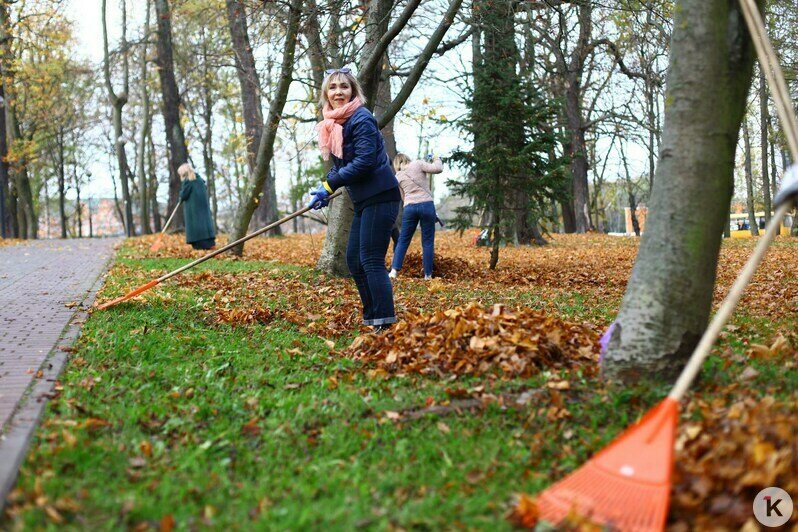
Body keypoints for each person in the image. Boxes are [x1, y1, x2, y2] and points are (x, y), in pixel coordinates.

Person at [307, 67, 400, 332]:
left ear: (353, 91)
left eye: (344, 87)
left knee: (370, 260)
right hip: (364, 199)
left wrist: (331, 184)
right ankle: (373, 318)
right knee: (354, 261)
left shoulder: (361, 119)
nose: (338, 92)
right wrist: (324, 189)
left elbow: (364, 162)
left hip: (381, 197)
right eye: (333, 87)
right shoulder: (336, 124)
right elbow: (342, 164)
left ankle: (384, 321)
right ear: (326, 93)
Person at [388, 153, 443, 280]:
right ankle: (428, 275)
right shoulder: (418, 164)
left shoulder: (398, 176)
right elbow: (438, 168)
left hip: (410, 208)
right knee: (427, 241)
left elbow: (403, 197)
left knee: (403, 240)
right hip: (427, 205)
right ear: (407, 158)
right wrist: (437, 158)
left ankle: (394, 271)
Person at [178, 162, 216, 250]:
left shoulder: (188, 182)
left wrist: (180, 197)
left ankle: (199, 245)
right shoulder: (200, 180)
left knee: (196, 226)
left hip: (193, 211)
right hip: (202, 210)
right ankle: (209, 244)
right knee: (204, 224)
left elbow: (183, 195)